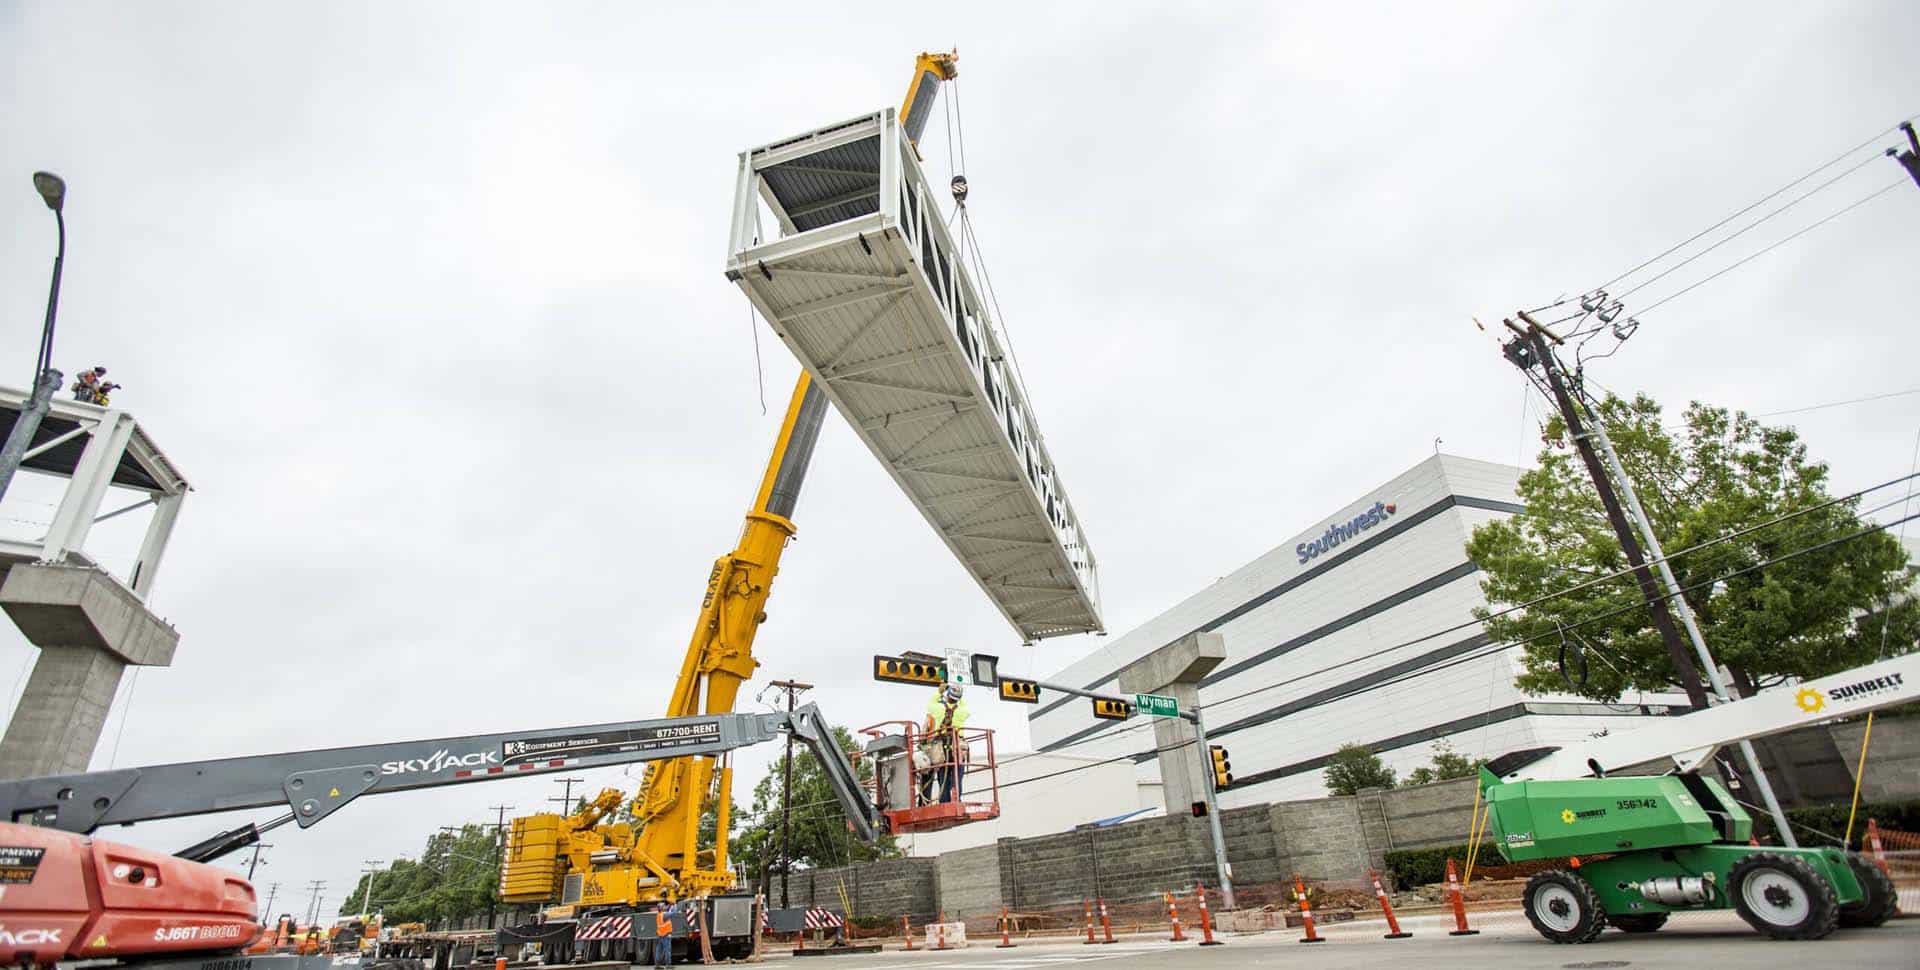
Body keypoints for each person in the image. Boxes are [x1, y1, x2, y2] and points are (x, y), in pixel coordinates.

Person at [923, 683, 970, 803]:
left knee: (943, 777)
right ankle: (957, 800)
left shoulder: (938, 708)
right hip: (958, 747)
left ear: (948, 695)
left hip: (942, 749)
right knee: (957, 776)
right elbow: (966, 707)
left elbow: (930, 705)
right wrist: (959, 694)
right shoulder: (962, 711)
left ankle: (944, 801)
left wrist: (939, 691)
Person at [652, 902, 673, 967]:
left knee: (659, 950)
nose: (665, 907)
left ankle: (657, 965)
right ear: (661, 908)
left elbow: (668, 910)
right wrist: (675, 905)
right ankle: (668, 965)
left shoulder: (659, 915)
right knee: (667, 950)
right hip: (665, 935)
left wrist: (669, 905)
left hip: (660, 935)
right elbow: (673, 913)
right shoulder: (665, 915)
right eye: (664, 906)